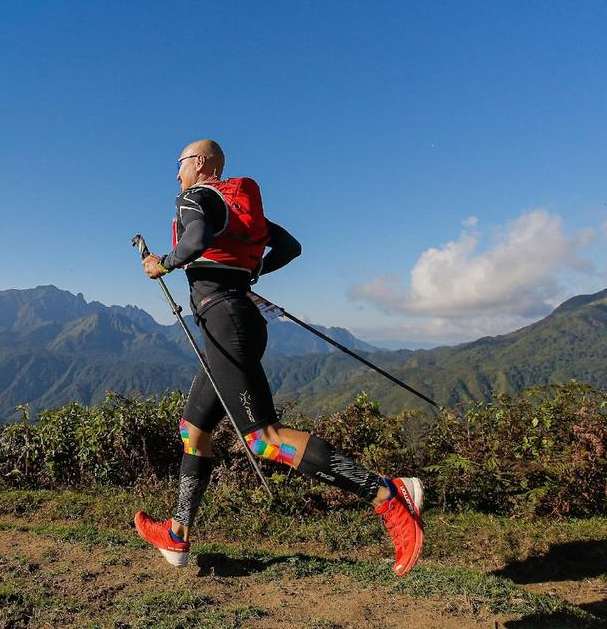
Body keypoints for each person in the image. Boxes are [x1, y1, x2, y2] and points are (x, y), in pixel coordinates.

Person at [134, 139, 425, 576]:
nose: (176, 175)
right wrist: (249, 272)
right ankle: (177, 533)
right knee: (193, 429)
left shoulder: (194, 197)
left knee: (263, 437)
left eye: (179, 165)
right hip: (236, 322)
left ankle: (388, 494)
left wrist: (165, 264)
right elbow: (290, 247)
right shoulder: (236, 207)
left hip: (226, 324)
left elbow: (193, 241)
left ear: (199, 164)